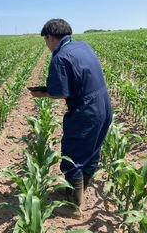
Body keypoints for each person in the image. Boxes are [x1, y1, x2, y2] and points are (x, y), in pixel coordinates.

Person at [30, 18, 113, 219]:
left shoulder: (60, 57)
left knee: (73, 154)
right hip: (104, 104)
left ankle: (73, 207)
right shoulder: (82, 45)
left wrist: (42, 93)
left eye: (45, 40)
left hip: (86, 110)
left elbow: (61, 93)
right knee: (92, 152)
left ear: (49, 37)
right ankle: (76, 191)